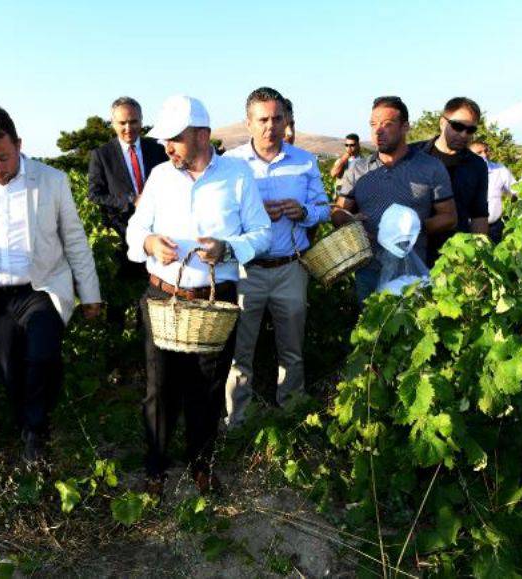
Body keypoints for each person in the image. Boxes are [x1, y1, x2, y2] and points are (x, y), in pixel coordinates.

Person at [0, 106, 102, 463]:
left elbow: (74, 240)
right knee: (9, 366)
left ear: (19, 145)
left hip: (41, 288)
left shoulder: (51, 180)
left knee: (42, 355)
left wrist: (90, 294)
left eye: (4, 158)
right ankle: (30, 423)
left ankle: (36, 432)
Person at [126, 95, 271, 495]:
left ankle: (201, 466)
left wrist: (227, 248)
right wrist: (151, 243)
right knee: (159, 389)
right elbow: (134, 231)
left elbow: (261, 233)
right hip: (163, 298)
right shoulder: (159, 176)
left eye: (175, 138)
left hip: (213, 300)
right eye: (166, 140)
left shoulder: (237, 176)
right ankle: (155, 469)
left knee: (207, 389)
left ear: (203, 135)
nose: (167, 147)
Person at [224, 87, 330, 429]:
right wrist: (253, 218)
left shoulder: (305, 161)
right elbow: (222, 217)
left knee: (292, 350)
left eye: (277, 118)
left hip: (289, 268)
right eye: (263, 119)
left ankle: (292, 415)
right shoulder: (231, 164)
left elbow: (324, 208)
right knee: (240, 353)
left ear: (287, 120)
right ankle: (236, 421)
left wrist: (304, 213)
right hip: (245, 271)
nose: (270, 126)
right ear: (249, 123)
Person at [334, 96, 456, 304]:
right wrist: (352, 224)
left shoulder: (430, 167)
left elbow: (449, 216)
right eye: (373, 125)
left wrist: (414, 228)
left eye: (387, 124)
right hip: (368, 271)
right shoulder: (357, 170)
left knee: (410, 331)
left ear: (405, 127)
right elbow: (338, 213)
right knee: (370, 332)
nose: (377, 131)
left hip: (411, 273)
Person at [88, 97, 168, 360]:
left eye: (134, 122)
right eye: (122, 123)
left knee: (151, 298)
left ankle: (149, 355)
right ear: (113, 124)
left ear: (142, 122)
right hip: (121, 238)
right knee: (118, 304)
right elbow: (95, 194)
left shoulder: (157, 149)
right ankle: (117, 360)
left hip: (156, 237)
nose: (128, 128)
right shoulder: (102, 155)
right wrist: (129, 200)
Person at [411, 97, 488, 267]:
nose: (463, 135)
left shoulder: (477, 166)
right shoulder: (413, 155)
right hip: (412, 252)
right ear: (442, 123)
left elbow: (479, 214)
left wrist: (480, 259)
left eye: (470, 130)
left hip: (454, 258)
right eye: (458, 126)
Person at [469, 141, 516, 243]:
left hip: (494, 228)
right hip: (468, 228)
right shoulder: (463, 172)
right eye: (479, 152)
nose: (484, 155)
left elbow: (516, 190)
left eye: (486, 151)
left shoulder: (499, 170)